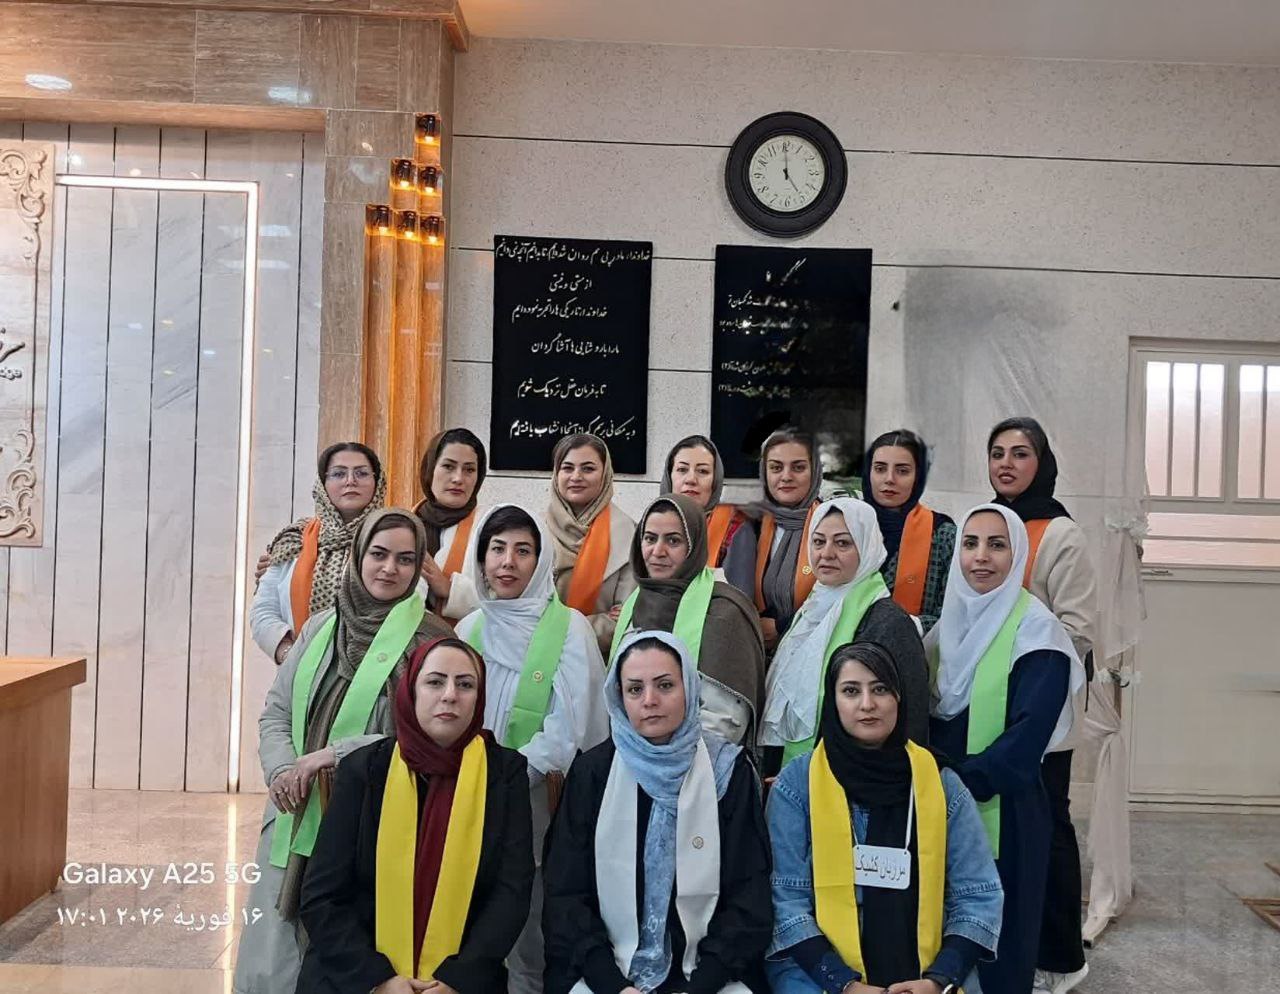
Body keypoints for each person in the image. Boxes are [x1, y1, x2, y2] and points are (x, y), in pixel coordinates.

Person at [232, 509, 454, 994]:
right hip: (298, 808)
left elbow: (431, 736)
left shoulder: (433, 641)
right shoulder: (319, 628)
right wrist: (283, 770)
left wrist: (332, 755)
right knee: (274, 960)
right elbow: (275, 711)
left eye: (405, 559)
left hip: (377, 824)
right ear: (358, 555)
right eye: (379, 554)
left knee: (352, 958)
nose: (389, 568)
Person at [296, 637, 535, 994]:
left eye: (465, 685)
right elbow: (321, 896)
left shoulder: (504, 773)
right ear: (411, 691)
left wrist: (457, 979)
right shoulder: (365, 770)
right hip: (356, 974)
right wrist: (378, 980)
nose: (450, 695)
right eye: (435, 682)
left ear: (479, 698)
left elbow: (511, 891)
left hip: (463, 977)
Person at [765, 641, 1004, 994]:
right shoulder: (798, 786)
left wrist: (937, 980)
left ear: (899, 699)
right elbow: (785, 901)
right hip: (818, 973)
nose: (867, 704)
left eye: (880, 689)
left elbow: (978, 895)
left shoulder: (940, 784)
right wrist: (845, 985)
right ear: (832, 701)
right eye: (851, 691)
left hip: (927, 973)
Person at [543, 630, 773, 994]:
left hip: (710, 975)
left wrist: (702, 985)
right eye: (635, 689)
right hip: (606, 973)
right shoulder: (592, 773)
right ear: (619, 698)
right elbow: (566, 896)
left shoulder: (728, 772)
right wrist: (613, 985)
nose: (650, 700)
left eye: (665, 685)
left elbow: (749, 896)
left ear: (690, 690)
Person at [925, 504, 1086, 994]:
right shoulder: (943, 630)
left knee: (1000, 937)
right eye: (970, 543)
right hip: (939, 804)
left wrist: (954, 782)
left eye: (997, 545)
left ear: (1017, 556)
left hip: (1006, 810)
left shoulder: (1038, 632)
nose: (981, 556)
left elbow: (1027, 739)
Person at [453, 504, 610, 994]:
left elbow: (572, 727)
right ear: (480, 559)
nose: (508, 562)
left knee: (530, 934)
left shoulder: (570, 629)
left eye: (523, 551)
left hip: (538, 802)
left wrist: (505, 778)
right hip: (466, 801)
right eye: (497, 549)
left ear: (541, 562)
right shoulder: (468, 630)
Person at [987, 418, 1098, 994]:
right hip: (986, 708)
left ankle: (1061, 955)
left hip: (1040, 713)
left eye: (1020, 454)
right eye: (998, 453)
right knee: (997, 829)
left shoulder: (1060, 535)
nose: (1007, 464)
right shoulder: (986, 526)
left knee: (1047, 827)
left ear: (1042, 463)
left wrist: (1026, 668)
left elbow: (1079, 629)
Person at [762, 498, 929, 767]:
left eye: (842, 543)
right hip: (792, 770)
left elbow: (911, 720)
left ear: (866, 547)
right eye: (818, 542)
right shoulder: (811, 610)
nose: (826, 553)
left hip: (859, 774)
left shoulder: (889, 622)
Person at [611, 494, 765, 746]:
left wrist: (667, 757)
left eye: (673, 540)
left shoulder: (724, 610)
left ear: (694, 546)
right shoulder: (634, 603)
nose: (657, 551)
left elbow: (725, 721)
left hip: (700, 758)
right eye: (650, 538)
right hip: (629, 753)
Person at [251, 442, 385, 664]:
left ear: (377, 482)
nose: (350, 481)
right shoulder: (294, 539)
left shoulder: (396, 537)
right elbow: (263, 610)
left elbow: (411, 604)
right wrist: (291, 656)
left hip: (374, 670)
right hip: (299, 669)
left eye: (361, 473)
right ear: (323, 483)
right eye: (338, 474)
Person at [723, 426, 823, 653]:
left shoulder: (832, 525)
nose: (786, 476)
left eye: (798, 467)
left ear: (815, 470)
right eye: (776, 467)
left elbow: (840, 598)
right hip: (755, 652)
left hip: (812, 653)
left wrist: (783, 626)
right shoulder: (752, 525)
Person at [545, 433, 637, 653]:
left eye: (588, 469)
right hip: (534, 657)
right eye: (567, 468)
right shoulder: (534, 530)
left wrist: (554, 630)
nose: (576, 476)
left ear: (605, 475)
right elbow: (522, 607)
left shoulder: (627, 533)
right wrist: (597, 620)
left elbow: (624, 621)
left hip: (598, 660)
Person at [862, 429, 956, 635]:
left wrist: (903, 627)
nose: (889, 479)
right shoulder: (848, 526)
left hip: (916, 649)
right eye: (880, 469)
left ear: (918, 477)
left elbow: (953, 614)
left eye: (902, 471)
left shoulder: (943, 535)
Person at [415, 427, 488, 620]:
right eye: (448, 466)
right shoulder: (402, 523)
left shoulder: (491, 528)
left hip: (465, 637)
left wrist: (449, 588)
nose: (458, 478)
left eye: (469, 470)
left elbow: (506, 599)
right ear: (430, 469)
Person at [661, 434, 747, 569]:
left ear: (715, 480)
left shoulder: (736, 531)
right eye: (682, 470)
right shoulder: (651, 525)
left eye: (702, 471)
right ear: (669, 477)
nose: (691, 479)